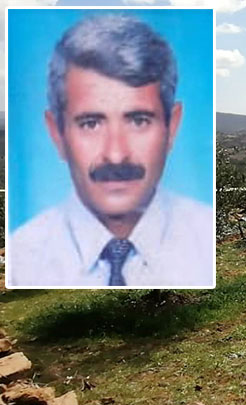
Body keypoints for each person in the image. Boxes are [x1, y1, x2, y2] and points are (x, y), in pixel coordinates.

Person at [8, 14, 213, 287]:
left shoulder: (206, 242)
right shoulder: (23, 260)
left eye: (139, 120)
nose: (116, 154)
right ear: (57, 134)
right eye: (91, 123)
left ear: (171, 127)